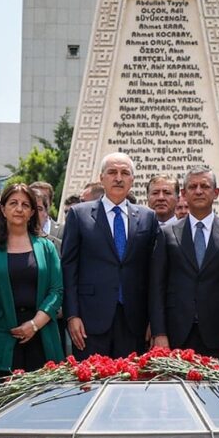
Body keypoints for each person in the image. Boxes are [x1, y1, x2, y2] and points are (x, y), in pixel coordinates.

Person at [61, 153, 161, 359]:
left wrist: (155, 321)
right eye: (112, 172)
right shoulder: (79, 215)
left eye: (125, 173)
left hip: (135, 319)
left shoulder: (147, 217)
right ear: (101, 178)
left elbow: (154, 273)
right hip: (90, 319)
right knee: (91, 383)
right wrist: (72, 315)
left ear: (132, 180)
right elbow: (69, 268)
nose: (118, 178)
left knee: (131, 385)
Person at [150, 166, 219, 359]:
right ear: (184, 194)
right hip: (176, 333)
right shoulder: (168, 233)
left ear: (216, 192)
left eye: (205, 186)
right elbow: (157, 287)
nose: (199, 191)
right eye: (193, 187)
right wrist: (159, 333)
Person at [0, 184, 64, 378]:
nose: (19, 209)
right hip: (1, 338)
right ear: (3, 209)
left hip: (41, 335)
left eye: (25, 205)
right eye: (13, 203)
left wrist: (34, 324)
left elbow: (56, 290)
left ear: (32, 211)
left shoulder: (47, 247)